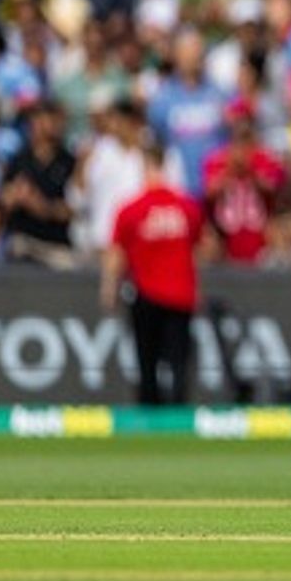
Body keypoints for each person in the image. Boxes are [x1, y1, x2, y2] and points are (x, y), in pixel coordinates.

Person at [102, 141, 204, 406]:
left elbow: (116, 254)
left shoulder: (131, 209)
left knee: (147, 362)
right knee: (178, 362)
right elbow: (200, 248)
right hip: (181, 294)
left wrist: (109, 288)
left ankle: (151, 415)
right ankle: (179, 418)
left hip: (147, 294)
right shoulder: (186, 207)